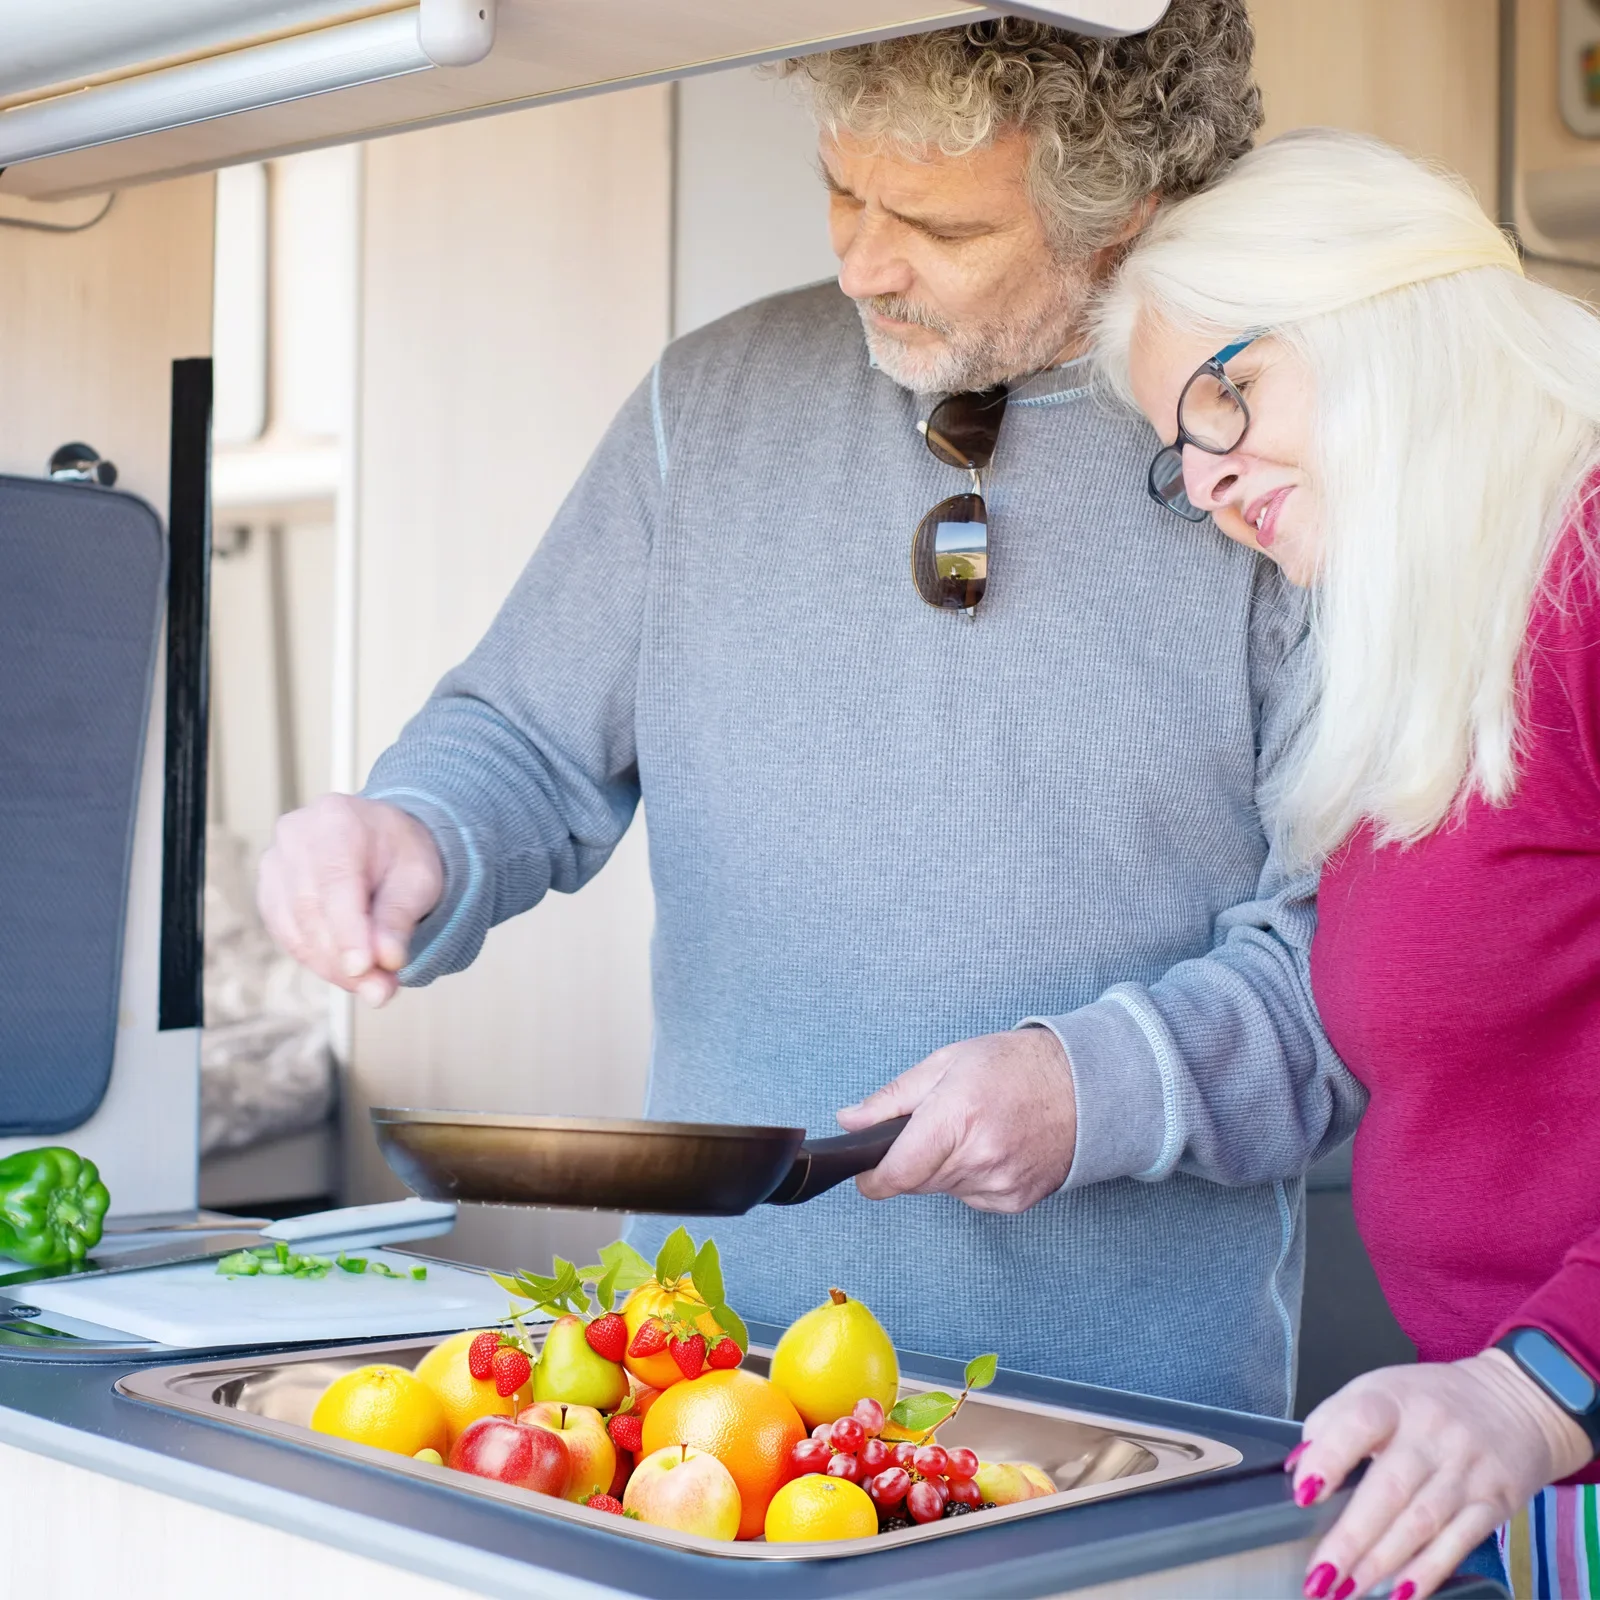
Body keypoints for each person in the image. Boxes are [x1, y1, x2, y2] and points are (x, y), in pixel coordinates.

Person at [259, 11, 1362, 1415]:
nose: (860, 260)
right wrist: (413, 830)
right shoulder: (702, 403)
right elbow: (523, 742)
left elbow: (1352, 967)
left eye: (936, 225)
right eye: (842, 190)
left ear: (1126, 220)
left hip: (1121, 1424)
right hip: (696, 1395)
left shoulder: (1274, 468)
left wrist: (1095, 1089)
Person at [1097, 127, 1600, 1599]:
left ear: (1388, 315)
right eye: (1176, 447)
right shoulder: (1442, 638)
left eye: (1227, 395)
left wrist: (1536, 1383)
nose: (1203, 480)